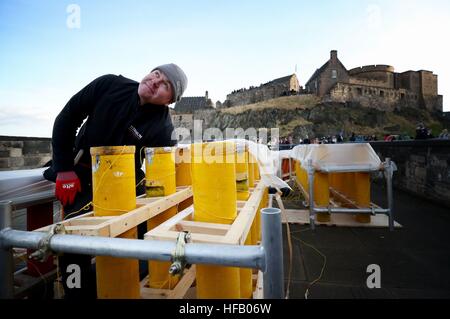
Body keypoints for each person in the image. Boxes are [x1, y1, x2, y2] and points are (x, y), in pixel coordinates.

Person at [43, 63, 188, 298]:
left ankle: (114, 280)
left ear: (169, 101)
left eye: (165, 86)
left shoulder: (163, 126)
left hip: (124, 180)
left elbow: (161, 168)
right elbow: (67, 117)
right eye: (156, 74)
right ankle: (76, 292)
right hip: (80, 173)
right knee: (73, 239)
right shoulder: (110, 84)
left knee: (146, 226)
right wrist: (63, 169)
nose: (155, 82)